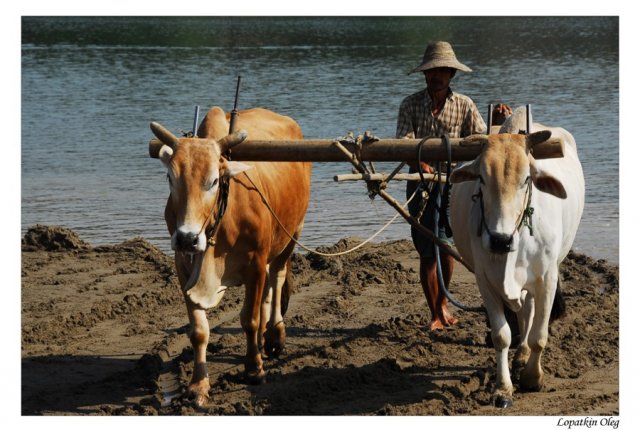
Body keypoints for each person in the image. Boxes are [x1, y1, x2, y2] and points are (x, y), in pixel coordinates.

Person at [396, 41, 487, 331]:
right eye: (431, 71)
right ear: (424, 75)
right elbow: (403, 143)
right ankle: (434, 312)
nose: (435, 76)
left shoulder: (464, 105)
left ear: (451, 75)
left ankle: (443, 305)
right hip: (420, 186)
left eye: (441, 72)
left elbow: (481, 141)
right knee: (426, 250)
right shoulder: (410, 104)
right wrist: (417, 162)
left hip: (453, 185)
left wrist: (500, 120)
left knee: (447, 248)